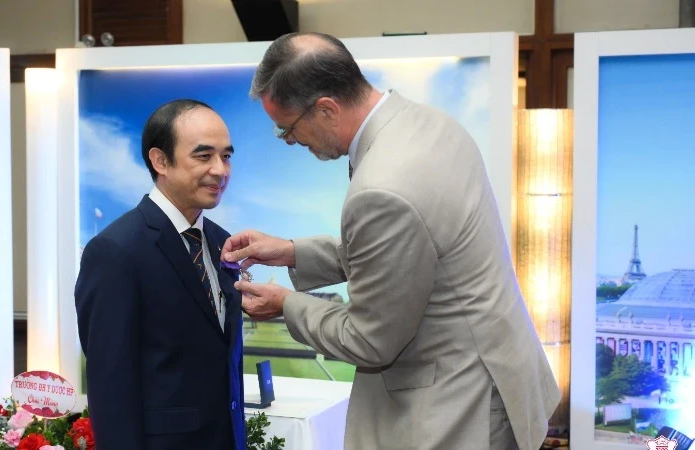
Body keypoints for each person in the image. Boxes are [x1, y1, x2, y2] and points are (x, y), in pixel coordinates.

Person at [221, 32, 561, 450]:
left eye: (287, 130)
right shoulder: (427, 122)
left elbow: (369, 340)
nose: (292, 142)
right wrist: (292, 252)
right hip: (496, 374)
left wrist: (285, 303)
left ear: (326, 109)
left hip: (457, 405)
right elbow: (411, 254)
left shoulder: (381, 188)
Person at [75, 99, 245, 450]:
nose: (220, 170)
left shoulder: (219, 240)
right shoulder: (115, 251)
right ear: (160, 160)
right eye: (204, 156)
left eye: (226, 156)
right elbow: (110, 386)